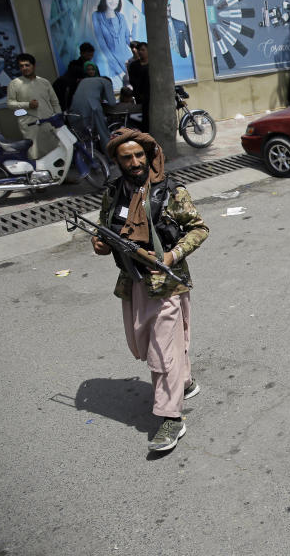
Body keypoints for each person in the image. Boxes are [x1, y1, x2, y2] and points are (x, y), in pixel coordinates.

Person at [91, 129, 209, 451]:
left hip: (167, 283)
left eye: (139, 155)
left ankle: (170, 418)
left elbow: (199, 229)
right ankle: (184, 382)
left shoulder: (170, 190)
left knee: (161, 351)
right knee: (142, 343)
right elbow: (104, 230)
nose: (135, 162)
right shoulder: (114, 193)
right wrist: (99, 244)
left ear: (148, 155)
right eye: (127, 158)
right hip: (133, 282)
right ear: (117, 161)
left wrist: (171, 255)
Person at [6, 53, 63, 159]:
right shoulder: (15, 84)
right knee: (36, 155)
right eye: (21, 66)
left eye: (27, 65)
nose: (24, 68)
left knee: (55, 154)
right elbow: (10, 104)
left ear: (33, 66)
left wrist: (59, 119)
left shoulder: (44, 82)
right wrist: (27, 105)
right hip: (30, 126)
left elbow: (55, 103)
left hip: (49, 123)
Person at [92, 0, 136, 85]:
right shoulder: (97, 16)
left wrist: (135, 23)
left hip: (129, 63)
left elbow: (130, 42)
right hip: (115, 70)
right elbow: (103, 47)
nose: (113, 1)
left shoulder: (121, 17)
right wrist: (120, 72)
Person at [69, 61, 118, 148]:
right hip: (93, 108)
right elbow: (112, 102)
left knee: (84, 138)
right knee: (104, 135)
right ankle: (110, 158)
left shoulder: (83, 81)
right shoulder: (105, 81)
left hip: (74, 111)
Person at [53, 42, 96, 111]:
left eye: (91, 55)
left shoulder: (92, 66)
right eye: (88, 55)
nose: (90, 57)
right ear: (82, 53)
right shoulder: (74, 65)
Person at [127, 42, 150, 133]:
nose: (140, 52)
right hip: (141, 96)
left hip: (153, 95)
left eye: (143, 50)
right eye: (139, 50)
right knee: (144, 117)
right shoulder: (134, 65)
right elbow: (132, 81)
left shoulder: (153, 64)